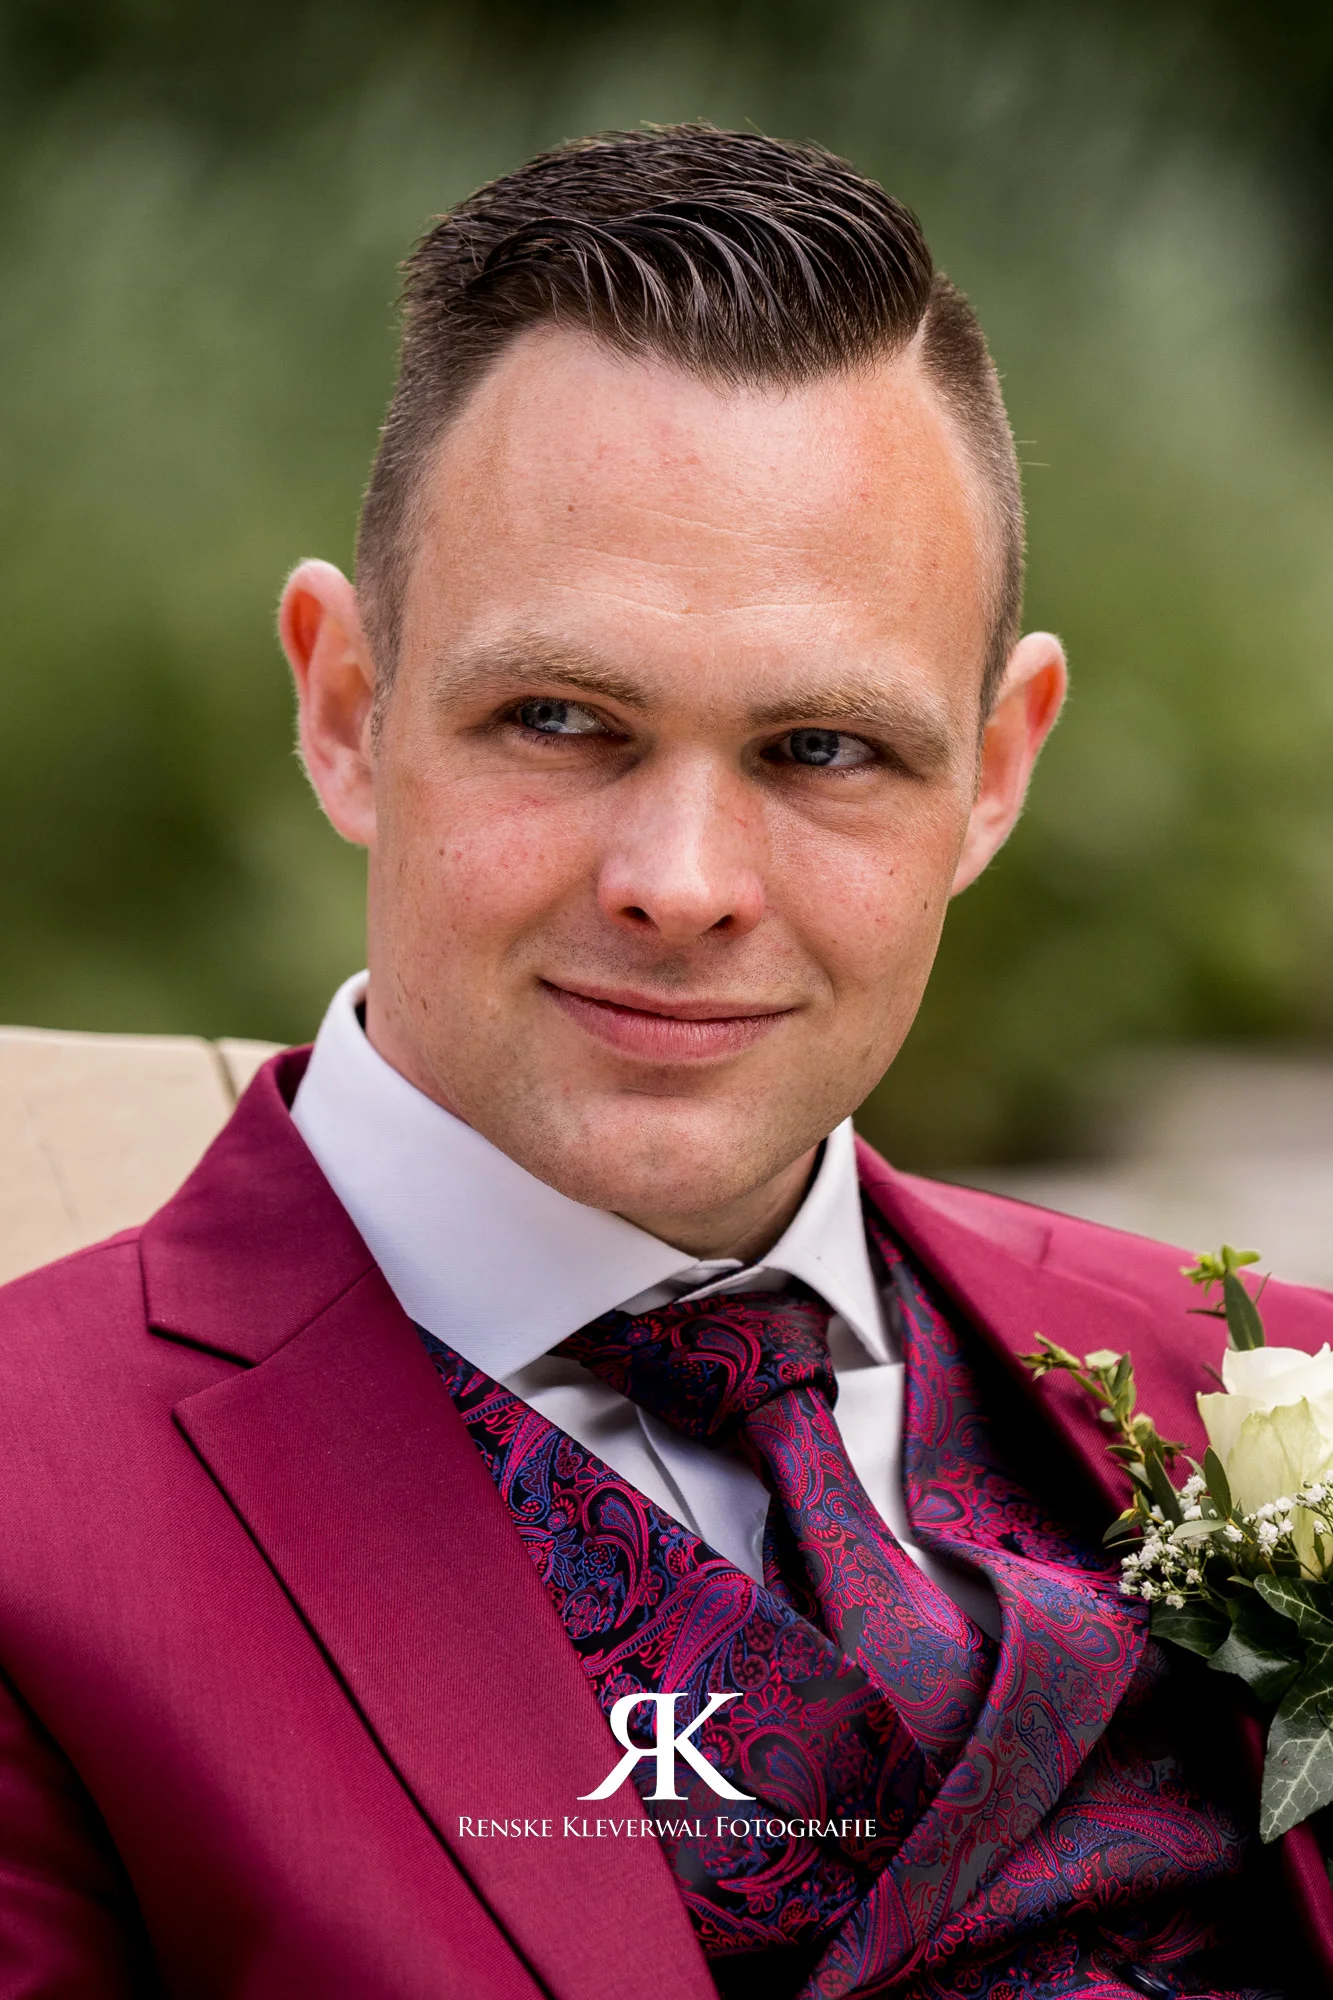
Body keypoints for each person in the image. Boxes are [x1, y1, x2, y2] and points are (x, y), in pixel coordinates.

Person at [0, 125, 1327, 2000]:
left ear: (997, 770)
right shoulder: (30, 1505)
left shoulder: (1280, 1388)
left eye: (823, 750)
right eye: (561, 719)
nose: (682, 884)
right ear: (348, 709)